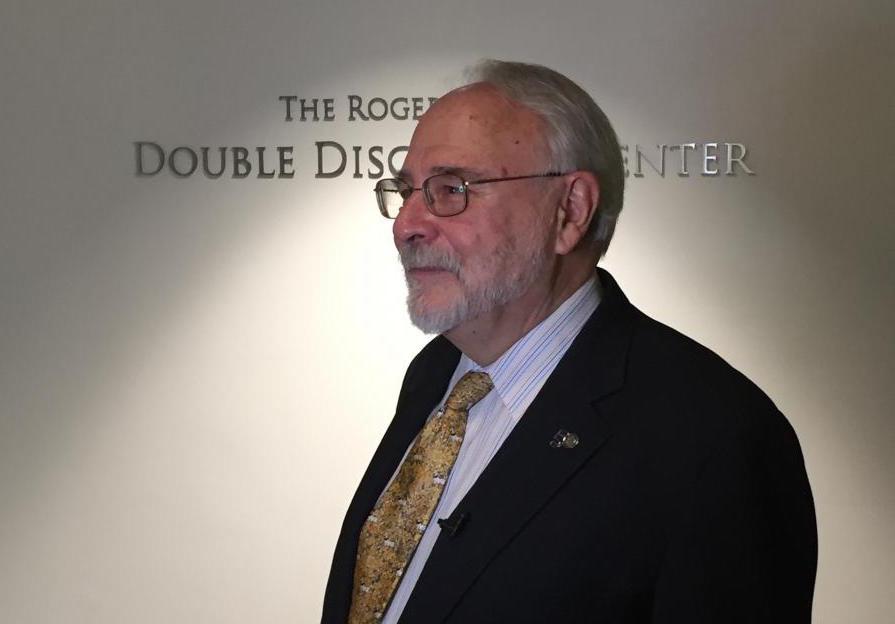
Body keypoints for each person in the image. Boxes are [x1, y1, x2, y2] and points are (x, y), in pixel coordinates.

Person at [321, 60, 817, 624]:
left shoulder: (714, 437)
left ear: (571, 210)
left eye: (451, 190)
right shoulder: (436, 375)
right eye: (407, 191)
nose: (405, 224)